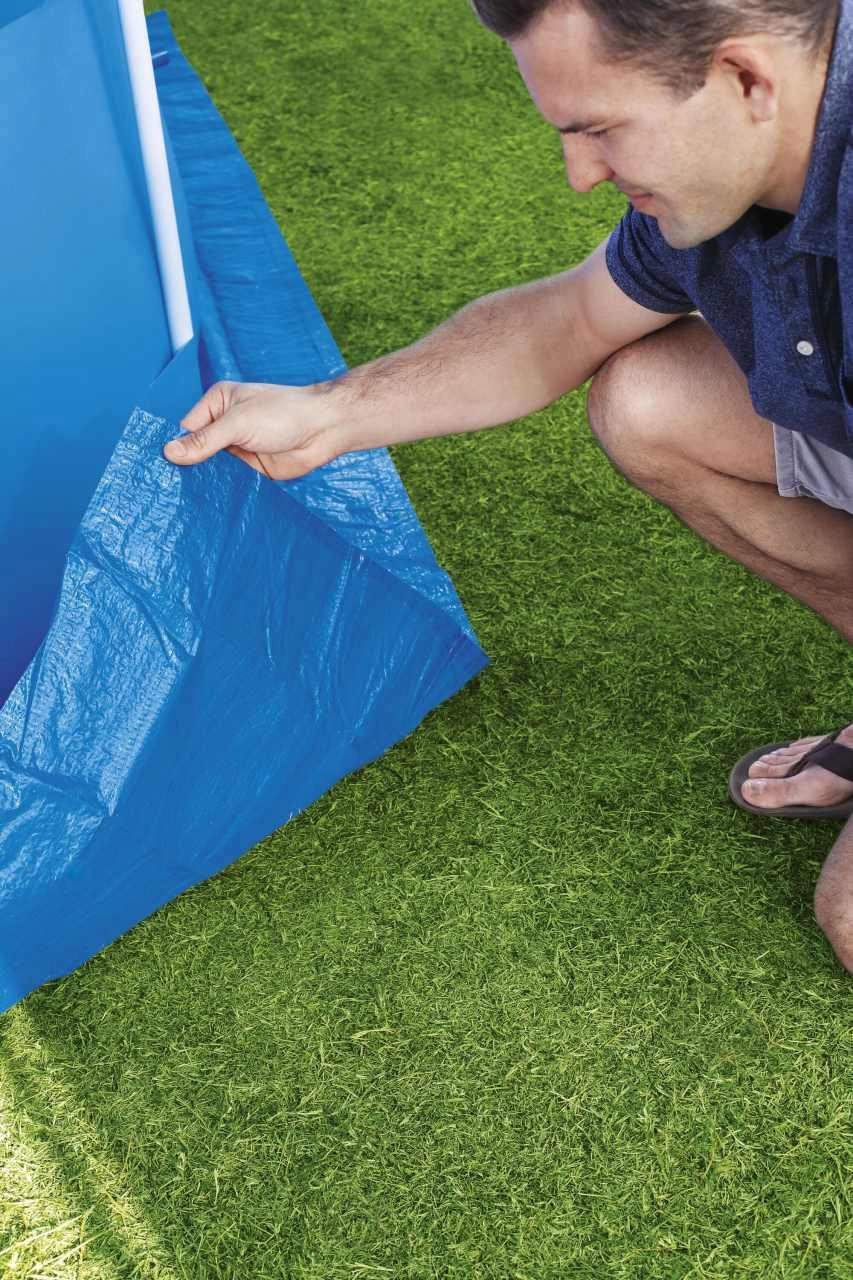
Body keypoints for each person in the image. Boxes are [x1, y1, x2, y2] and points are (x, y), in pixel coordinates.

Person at [164, 0, 853, 970]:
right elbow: (566, 321)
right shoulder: (728, 172)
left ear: (744, 78)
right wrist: (328, 413)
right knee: (649, 403)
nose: (581, 174)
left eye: (600, 128)